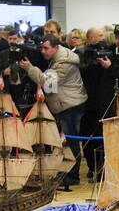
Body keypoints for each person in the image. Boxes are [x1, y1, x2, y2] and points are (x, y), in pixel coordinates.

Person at [23, 34, 86, 190]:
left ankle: (72, 176)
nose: (43, 52)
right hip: (64, 102)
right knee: (63, 142)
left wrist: (30, 68)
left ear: (56, 47)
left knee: (70, 143)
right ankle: (66, 173)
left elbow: (48, 84)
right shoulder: (58, 57)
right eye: (41, 48)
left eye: (46, 48)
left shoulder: (64, 62)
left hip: (69, 104)